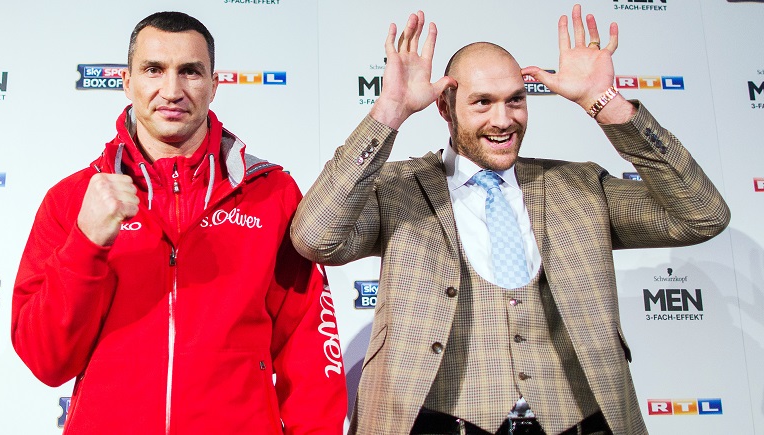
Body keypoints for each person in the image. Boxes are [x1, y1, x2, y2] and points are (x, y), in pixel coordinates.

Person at [291, 5, 729, 435]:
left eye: (515, 100)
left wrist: (608, 105)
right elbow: (314, 238)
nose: (503, 121)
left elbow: (702, 216)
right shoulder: (398, 187)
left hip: (579, 421)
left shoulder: (579, 186)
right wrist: (389, 112)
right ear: (445, 108)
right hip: (434, 422)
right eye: (482, 102)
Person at [12, 11, 345, 435]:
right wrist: (86, 243)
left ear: (214, 84)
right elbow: (46, 361)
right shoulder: (73, 199)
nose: (171, 90)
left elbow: (311, 351)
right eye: (154, 70)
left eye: (190, 72)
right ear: (127, 81)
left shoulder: (272, 194)